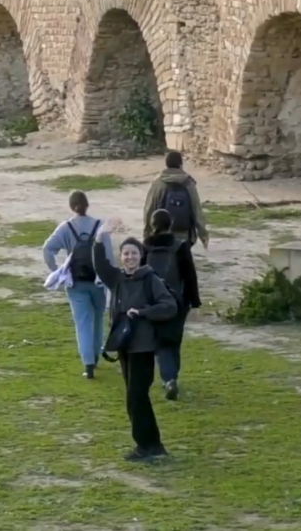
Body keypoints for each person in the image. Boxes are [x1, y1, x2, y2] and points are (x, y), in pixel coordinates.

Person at [93, 216, 178, 462]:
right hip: (125, 347)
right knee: (135, 398)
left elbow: (169, 305)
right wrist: (100, 237)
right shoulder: (118, 279)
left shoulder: (150, 279)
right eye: (126, 254)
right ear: (122, 257)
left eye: (133, 253)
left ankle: (147, 447)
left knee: (136, 397)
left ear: (141, 256)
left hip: (143, 347)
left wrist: (142, 312)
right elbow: (100, 265)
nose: (129, 257)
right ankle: (152, 446)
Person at [42, 190, 115, 380]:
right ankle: (96, 355)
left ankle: (88, 365)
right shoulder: (99, 226)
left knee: (82, 323)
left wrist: (57, 270)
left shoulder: (65, 227)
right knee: (98, 318)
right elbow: (109, 257)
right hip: (97, 281)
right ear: (87, 204)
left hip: (76, 283)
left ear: (71, 206)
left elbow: (47, 249)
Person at [142, 209, 201, 401]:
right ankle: (171, 377)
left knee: (160, 342)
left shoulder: (145, 247)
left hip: (153, 302)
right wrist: (193, 300)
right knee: (174, 339)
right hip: (177, 301)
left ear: (152, 225)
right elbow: (190, 276)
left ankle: (169, 378)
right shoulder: (180, 247)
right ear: (171, 224)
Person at [142, 151, 209, 249]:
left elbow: (149, 209)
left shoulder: (158, 183)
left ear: (166, 164)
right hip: (184, 233)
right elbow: (196, 210)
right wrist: (203, 234)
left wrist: (147, 233)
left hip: (161, 232)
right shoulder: (188, 183)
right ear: (181, 165)